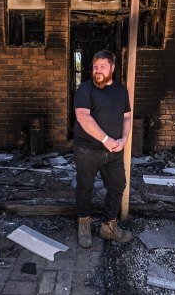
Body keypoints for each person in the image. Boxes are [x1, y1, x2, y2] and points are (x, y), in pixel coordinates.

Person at [73, 50, 133, 249]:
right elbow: (83, 117)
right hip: (87, 150)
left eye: (103, 67)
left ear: (112, 68)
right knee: (85, 187)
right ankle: (84, 223)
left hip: (114, 151)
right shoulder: (85, 89)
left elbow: (126, 116)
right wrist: (106, 139)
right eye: (95, 67)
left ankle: (108, 226)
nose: (98, 71)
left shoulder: (120, 91)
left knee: (118, 186)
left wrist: (124, 138)